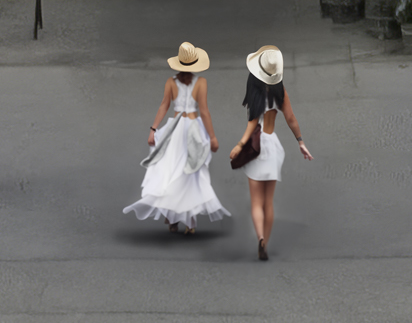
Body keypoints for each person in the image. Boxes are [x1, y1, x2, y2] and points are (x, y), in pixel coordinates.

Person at [128, 40, 227, 235]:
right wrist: (213, 137)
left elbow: (164, 106)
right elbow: (204, 111)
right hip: (193, 128)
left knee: (171, 171)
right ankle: (190, 221)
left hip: (174, 129)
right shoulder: (201, 83)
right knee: (190, 173)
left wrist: (154, 129)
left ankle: (172, 217)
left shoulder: (171, 82)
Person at [230, 44, 312, 264]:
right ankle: (266, 240)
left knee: (255, 202)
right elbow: (291, 119)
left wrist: (239, 145)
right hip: (272, 147)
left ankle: (261, 238)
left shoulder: (255, 94)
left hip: (256, 149)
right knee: (269, 202)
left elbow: (251, 124)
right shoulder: (281, 92)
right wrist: (300, 142)